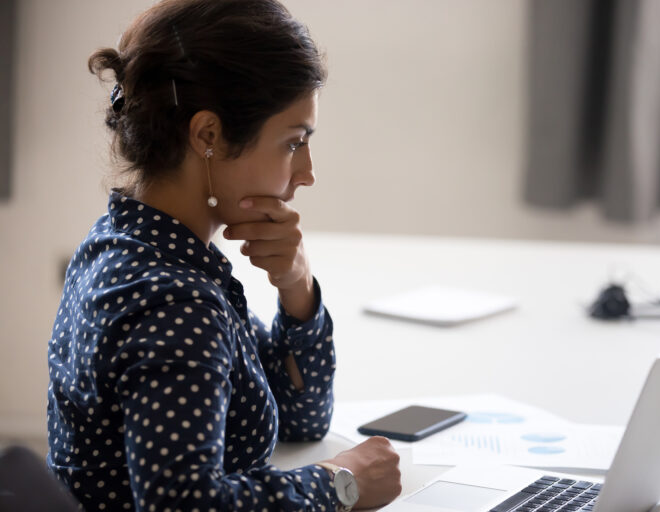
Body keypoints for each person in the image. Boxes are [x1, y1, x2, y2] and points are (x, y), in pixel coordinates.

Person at [45, 0, 402, 510]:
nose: (307, 172)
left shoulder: (130, 240)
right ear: (208, 135)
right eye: (293, 142)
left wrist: (296, 285)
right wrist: (339, 483)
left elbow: (301, 418)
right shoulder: (173, 302)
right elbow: (185, 504)